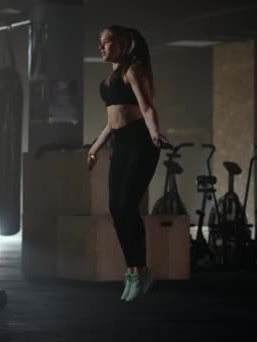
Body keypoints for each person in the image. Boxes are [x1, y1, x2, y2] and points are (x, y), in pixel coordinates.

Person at [87, 25, 168, 302]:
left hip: (140, 143)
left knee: (126, 206)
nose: (101, 47)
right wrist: (95, 149)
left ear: (122, 45)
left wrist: (155, 133)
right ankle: (132, 270)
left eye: (106, 42)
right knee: (115, 208)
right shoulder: (112, 76)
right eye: (100, 42)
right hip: (120, 144)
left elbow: (146, 107)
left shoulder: (133, 70)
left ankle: (140, 271)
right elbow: (113, 121)